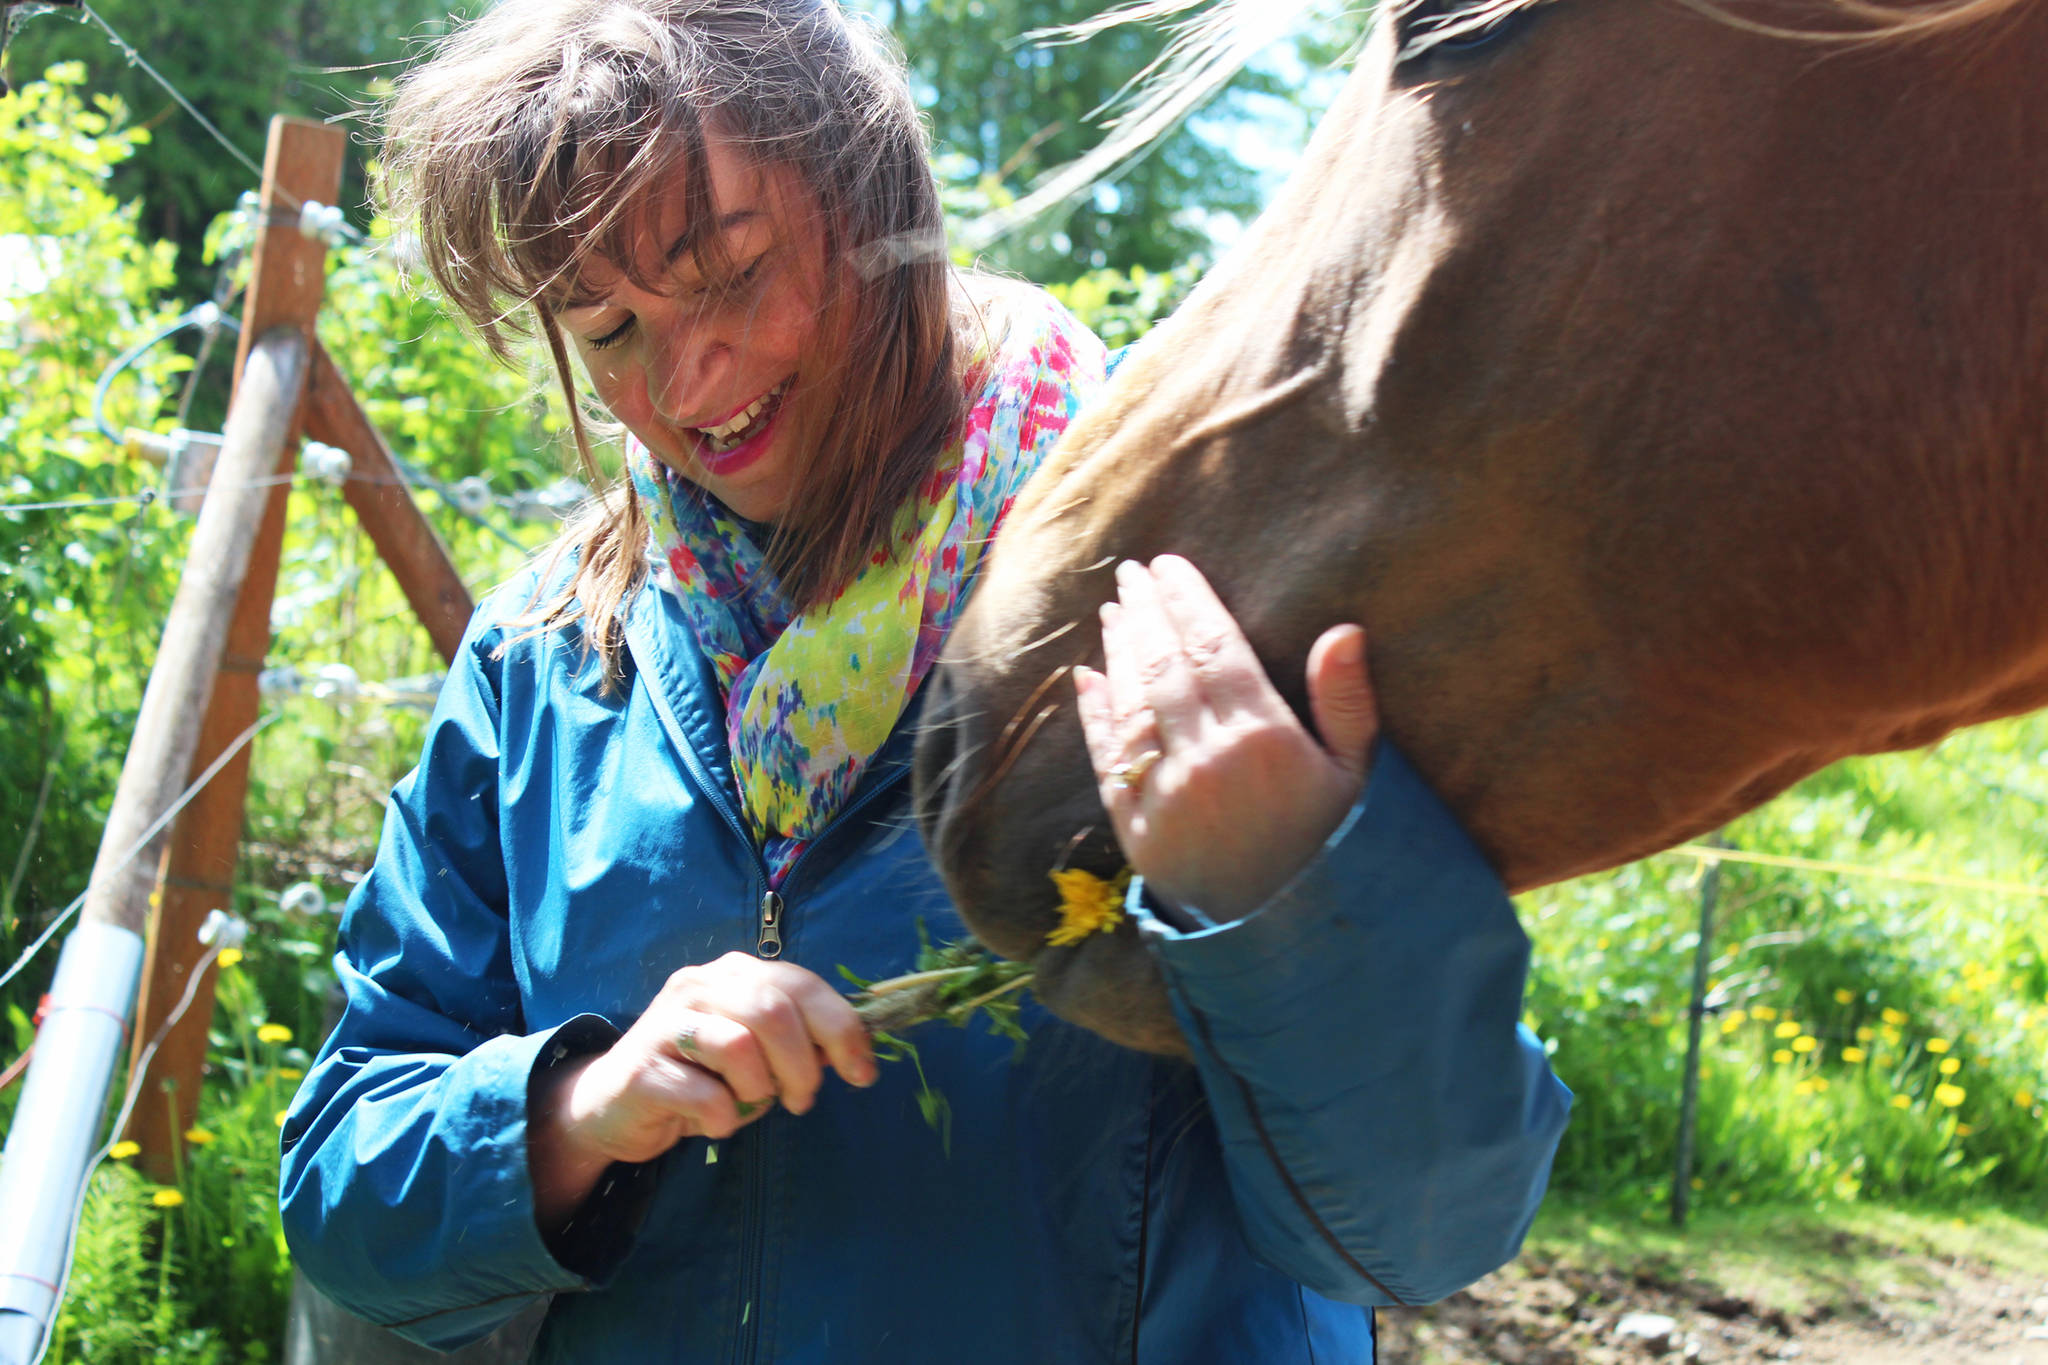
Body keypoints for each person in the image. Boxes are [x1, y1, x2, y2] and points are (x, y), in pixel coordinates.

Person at [278, 0, 1573, 1360]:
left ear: (874, 200)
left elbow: (1433, 1225)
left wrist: (1294, 898)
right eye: (607, 330)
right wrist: (581, 1109)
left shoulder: (1207, 555)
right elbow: (340, 1188)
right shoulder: (544, 659)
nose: (686, 377)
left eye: (727, 273)